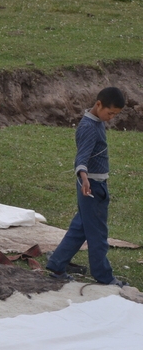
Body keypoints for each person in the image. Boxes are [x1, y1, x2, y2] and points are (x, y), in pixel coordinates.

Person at [46, 87, 127, 287]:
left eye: (115, 115)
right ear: (98, 104)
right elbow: (81, 157)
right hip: (92, 187)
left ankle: (57, 264)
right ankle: (104, 277)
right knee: (98, 233)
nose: (111, 118)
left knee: (80, 227)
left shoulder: (96, 121)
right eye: (110, 113)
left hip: (93, 184)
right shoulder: (89, 127)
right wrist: (84, 179)